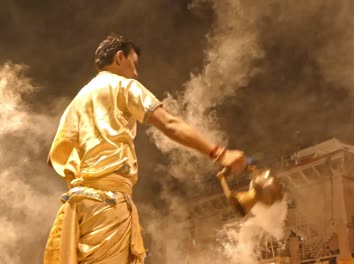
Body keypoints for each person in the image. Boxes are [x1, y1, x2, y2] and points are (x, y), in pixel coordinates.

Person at [43, 33, 247, 263]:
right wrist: (219, 152)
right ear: (120, 57)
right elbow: (169, 124)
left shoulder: (77, 101)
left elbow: (56, 158)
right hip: (108, 205)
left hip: (81, 207)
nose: (136, 72)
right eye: (134, 63)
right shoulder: (124, 85)